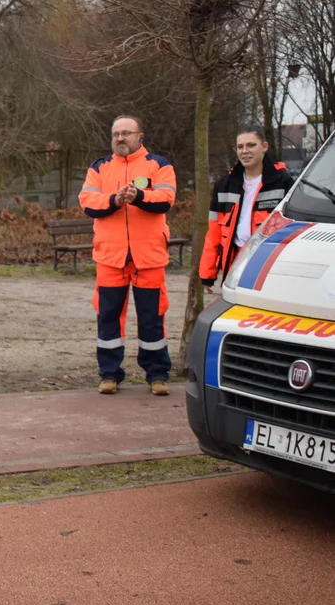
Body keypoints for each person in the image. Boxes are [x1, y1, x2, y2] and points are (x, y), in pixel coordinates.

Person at [78, 116, 177, 397]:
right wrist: (115, 200)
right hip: (110, 256)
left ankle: (157, 375)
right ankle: (109, 374)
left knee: (152, 318)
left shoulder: (159, 164)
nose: (120, 138)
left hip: (149, 256)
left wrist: (139, 197)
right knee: (108, 316)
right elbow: (87, 201)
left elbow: (166, 198)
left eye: (126, 133)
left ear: (140, 137)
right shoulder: (99, 167)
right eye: (116, 134)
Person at [200, 127, 294, 291]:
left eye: (251, 145)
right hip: (235, 262)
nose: (245, 151)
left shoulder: (283, 182)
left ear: (264, 146)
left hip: (269, 264)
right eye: (240, 147)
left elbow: (293, 231)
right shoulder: (224, 185)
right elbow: (214, 232)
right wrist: (207, 274)